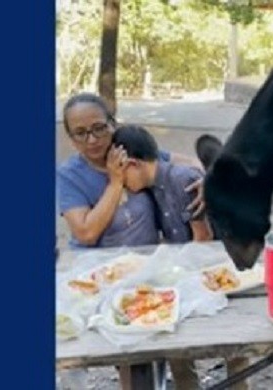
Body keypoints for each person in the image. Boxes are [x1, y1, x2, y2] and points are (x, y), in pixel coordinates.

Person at [113, 125, 249, 390]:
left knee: (233, 347)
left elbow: (203, 238)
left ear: (132, 164)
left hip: (219, 271)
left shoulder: (182, 180)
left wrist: (174, 271)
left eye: (120, 173)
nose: (120, 181)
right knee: (175, 343)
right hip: (193, 272)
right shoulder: (154, 185)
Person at [56, 93, 205, 249]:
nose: (92, 140)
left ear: (112, 125)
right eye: (80, 133)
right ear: (71, 139)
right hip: (97, 265)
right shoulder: (69, 175)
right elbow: (86, 234)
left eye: (98, 128)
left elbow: (189, 163)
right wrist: (115, 184)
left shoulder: (128, 151)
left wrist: (205, 180)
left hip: (145, 261)